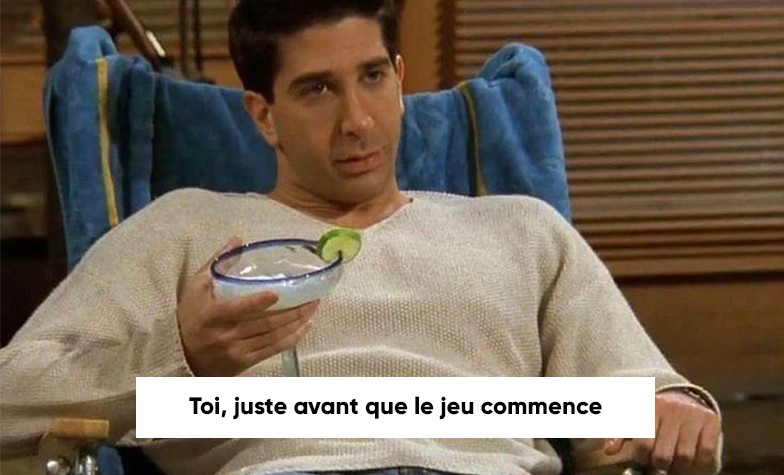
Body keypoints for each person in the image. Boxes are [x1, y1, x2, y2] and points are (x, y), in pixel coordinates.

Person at [0, 1, 721, 474]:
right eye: (317, 89)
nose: (358, 121)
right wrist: (177, 356)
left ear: (399, 78)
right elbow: (10, 402)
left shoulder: (522, 230)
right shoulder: (185, 228)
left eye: (373, 77)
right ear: (263, 115)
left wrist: (673, 417)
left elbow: (635, 406)